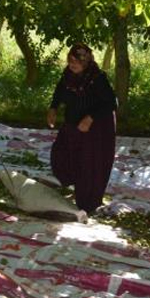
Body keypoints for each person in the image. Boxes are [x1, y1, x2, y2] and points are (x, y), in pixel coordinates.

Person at [46, 44, 117, 215]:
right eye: (70, 61)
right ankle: (72, 180)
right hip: (74, 122)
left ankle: (87, 203)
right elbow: (60, 91)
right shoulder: (68, 74)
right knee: (61, 153)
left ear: (85, 62)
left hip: (96, 128)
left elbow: (111, 103)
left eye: (76, 61)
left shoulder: (97, 78)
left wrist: (90, 117)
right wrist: (53, 108)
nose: (72, 65)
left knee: (89, 164)